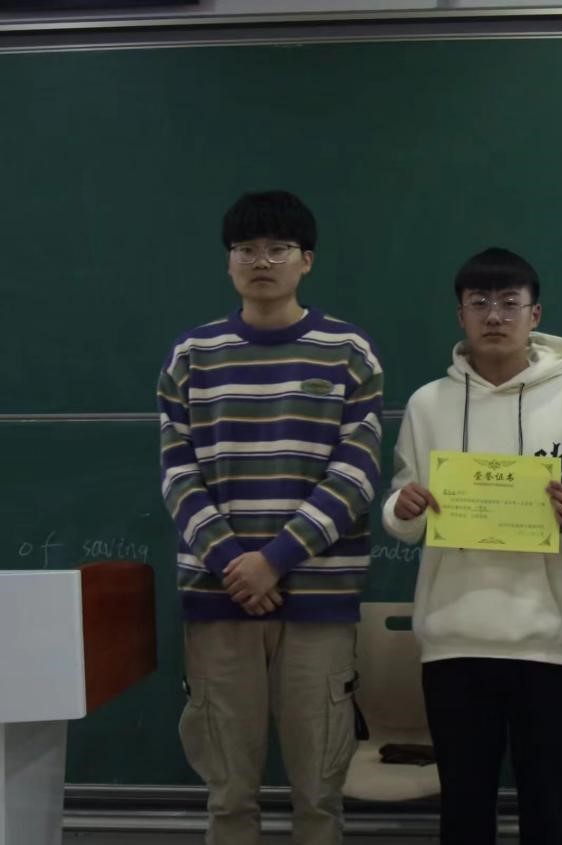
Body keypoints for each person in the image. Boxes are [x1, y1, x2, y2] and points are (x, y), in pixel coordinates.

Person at [381, 247, 562, 845]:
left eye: (509, 303)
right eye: (480, 303)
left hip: (552, 644)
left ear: (534, 314)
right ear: (461, 315)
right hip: (453, 639)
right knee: (464, 811)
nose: (494, 315)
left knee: (550, 809)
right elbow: (401, 506)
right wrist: (402, 510)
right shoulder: (427, 404)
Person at [158, 190, 383, 844]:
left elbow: (356, 473)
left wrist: (274, 560)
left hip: (317, 601)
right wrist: (236, 564)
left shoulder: (348, 351)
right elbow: (177, 473)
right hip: (219, 598)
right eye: (246, 249)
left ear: (306, 259)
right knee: (229, 797)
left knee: (319, 797)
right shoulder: (192, 355)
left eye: (278, 248)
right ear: (228, 261)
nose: (261, 261)